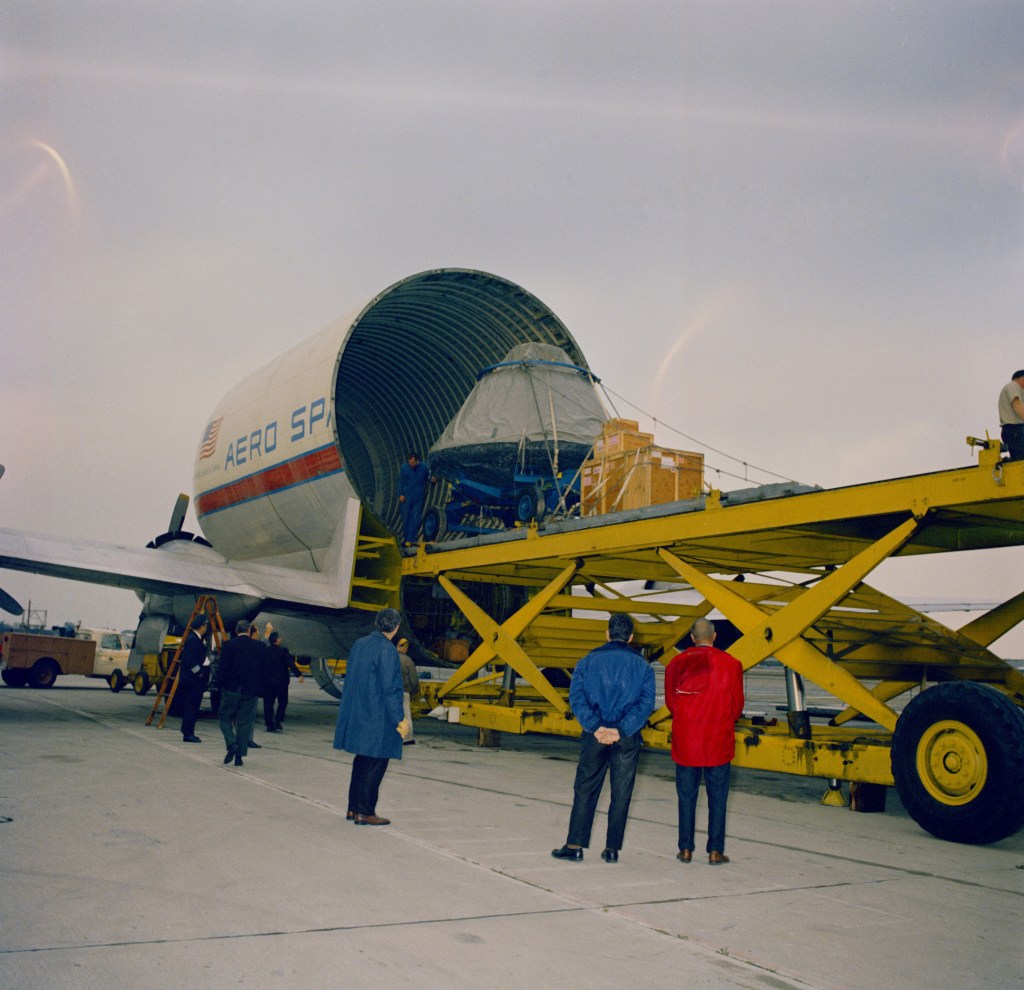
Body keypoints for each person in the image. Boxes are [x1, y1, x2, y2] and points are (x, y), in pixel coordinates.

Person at [551, 614, 655, 864]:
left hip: (594, 735)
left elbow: (576, 698)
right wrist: (620, 730)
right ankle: (611, 850)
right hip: (627, 738)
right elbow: (646, 704)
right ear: (631, 638)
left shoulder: (587, 662)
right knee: (621, 792)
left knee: (585, 788)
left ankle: (574, 845)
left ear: (607, 634)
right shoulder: (643, 667)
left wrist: (596, 727)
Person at [664, 617, 745, 866]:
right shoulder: (731, 664)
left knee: (686, 796)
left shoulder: (676, 664)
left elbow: (671, 702)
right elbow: (737, 706)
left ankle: (685, 849)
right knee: (718, 797)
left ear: (691, 638)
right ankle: (715, 851)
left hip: (687, 742)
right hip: (717, 741)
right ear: (714, 637)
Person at [333, 607, 408, 825]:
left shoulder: (360, 644)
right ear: (395, 627)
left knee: (361, 761)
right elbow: (391, 688)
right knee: (375, 764)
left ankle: (352, 808)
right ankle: (365, 812)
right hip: (378, 717)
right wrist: (399, 719)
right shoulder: (387, 650)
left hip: (359, 713)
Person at [218, 619, 265, 766]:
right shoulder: (259, 646)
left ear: (237, 630)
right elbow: (263, 669)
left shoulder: (229, 645)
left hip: (232, 688)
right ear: (249, 630)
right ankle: (239, 757)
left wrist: (222, 685)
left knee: (224, 717)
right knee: (244, 723)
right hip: (250, 690)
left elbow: (222, 668)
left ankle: (232, 744)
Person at [178, 615, 210, 743]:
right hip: (193, 680)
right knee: (192, 706)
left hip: (194, 680)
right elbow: (190, 661)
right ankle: (188, 733)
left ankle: (188, 731)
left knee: (193, 706)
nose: (206, 628)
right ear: (202, 627)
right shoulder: (193, 640)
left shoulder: (196, 638)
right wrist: (200, 673)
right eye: (205, 626)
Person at [263, 630, 303, 732]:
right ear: (276, 640)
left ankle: (269, 724)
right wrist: (299, 675)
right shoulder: (284, 651)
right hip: (281, 682)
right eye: (279, 638)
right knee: (283, 701)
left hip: (268, 681)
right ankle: (278, 719)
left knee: (268, 703)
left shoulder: (265, 651)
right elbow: (291, 664)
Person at [398, 451, 430, 546]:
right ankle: (406, 539)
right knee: (406, 517)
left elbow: (429, 477)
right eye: (409, 463)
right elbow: (400, 481)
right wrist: (400, 494)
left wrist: (433, 479)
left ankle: (411, 540)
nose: (411, 465)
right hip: (406, 497)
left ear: (417, 461)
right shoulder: (404, 468)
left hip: (418, 497)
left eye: (413, 463)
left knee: (415, 518)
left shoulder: (424, 467)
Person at [396, 637, 419, 744]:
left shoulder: (389, 658)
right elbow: (414, 680)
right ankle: (407, 738)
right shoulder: (408, 661)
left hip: (390, 692)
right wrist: (413, 691)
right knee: (406, 715)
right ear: (405, 648)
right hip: (404, 692)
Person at [998, 370, 1024, 461]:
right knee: (1020, 460)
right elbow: (1016, 404)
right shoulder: (1013, 386)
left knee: (1019, 459)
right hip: (1015, 429)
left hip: (1013, 430)